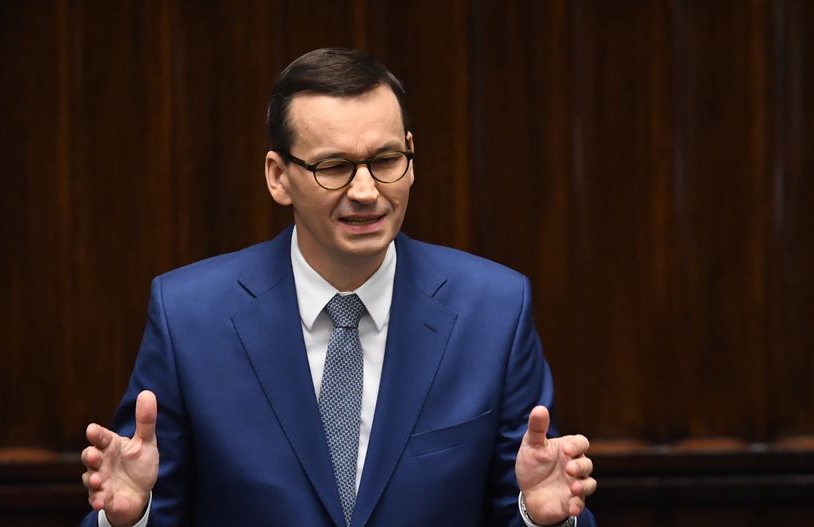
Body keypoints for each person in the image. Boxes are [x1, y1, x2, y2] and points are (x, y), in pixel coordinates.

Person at [80, 47, 596, 527]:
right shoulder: (188, 317)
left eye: (386, 160)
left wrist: (542, 519)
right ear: (278, 176)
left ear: (411, 157)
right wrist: (130, 517)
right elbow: (146, 499)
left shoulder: (495, 311)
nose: (366, 191)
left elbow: (530, 497)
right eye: (334, 167)